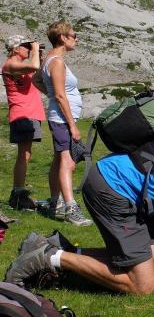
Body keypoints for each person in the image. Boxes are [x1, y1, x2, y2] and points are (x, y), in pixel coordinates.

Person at [4, 118, 154, 294]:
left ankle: (58, 248)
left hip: (137, 197)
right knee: (143, 285)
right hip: (115, 190)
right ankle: (47, 257)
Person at [41, 21, 91, 226]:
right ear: (63, 37)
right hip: (62, 118)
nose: (76, 38)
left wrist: (51, 96)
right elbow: (61, 96)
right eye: (73, 34)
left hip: (58, 116)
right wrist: (72, 125)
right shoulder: (57, 62)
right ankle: (71, 208)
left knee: (59, 160)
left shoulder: (50, 59)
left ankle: (56, 203)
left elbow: (38, 82)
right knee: (68, 162)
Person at [1, 35, 45, 213]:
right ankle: (18, 194)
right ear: (15, 49)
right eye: (25, 46)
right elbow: (34, 66)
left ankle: (20, 193)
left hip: (30, 113)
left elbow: (38, 72)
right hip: (22, 114)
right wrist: (35, 50)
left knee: (26, 155)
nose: (28, 49)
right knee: (23, 155)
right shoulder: (10, 64)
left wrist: (38, 55)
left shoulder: (21, 67)